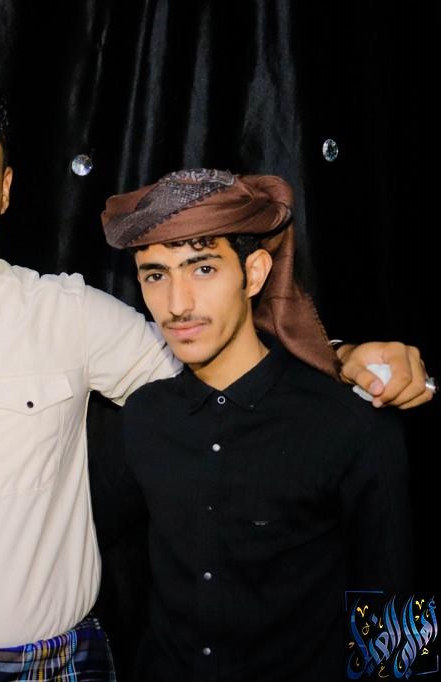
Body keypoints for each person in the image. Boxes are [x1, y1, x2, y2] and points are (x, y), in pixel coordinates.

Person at [0, 63, 432, 681]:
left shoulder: (73, 314)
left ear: (5, 188)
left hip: (51, 670)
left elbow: (226, 357)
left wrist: (342, 358)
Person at [95, 168, 413, 681]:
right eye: (155, 275)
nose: (177, 304)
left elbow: (394, 606)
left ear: (256, 272)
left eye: (202, 269)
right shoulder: (144, 417)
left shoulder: (348, 423)